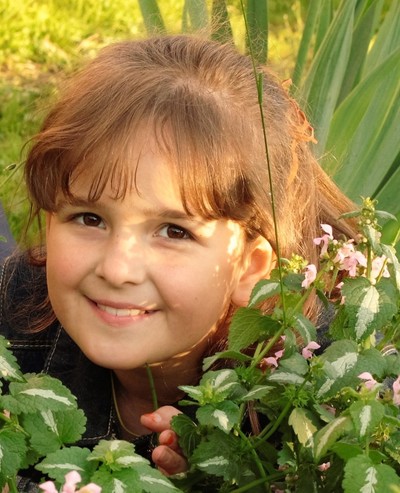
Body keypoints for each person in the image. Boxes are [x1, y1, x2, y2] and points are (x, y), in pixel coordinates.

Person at [0, 34, 356, 489]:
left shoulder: (314, 399)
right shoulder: (15, 306)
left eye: (174, 231)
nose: (117, 269)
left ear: (250, 267)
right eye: (90, 218)